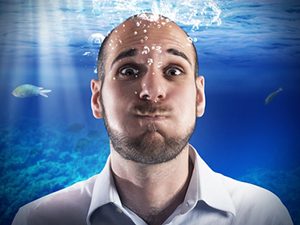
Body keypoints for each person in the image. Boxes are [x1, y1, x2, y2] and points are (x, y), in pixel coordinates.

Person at [12, 13, 293, 225]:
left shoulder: (262, 214)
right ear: (97, 99)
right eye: (129, 71)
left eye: (173, 71)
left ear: (199, 97)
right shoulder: (38, 219)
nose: (152, 91)